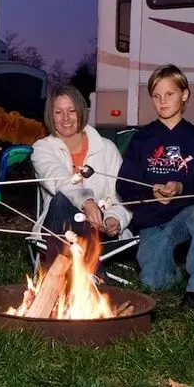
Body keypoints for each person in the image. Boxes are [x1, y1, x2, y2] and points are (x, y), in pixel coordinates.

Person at [115, 64, 194, 310]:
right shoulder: (142, 138)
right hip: (152, 222)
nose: (162, 101)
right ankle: (174, 271)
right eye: (156, 96)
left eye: (169, 94)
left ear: (184, 95)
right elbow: (124, 184)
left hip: (184, 216)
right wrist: (150, 190)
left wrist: (180, 186)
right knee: (154, 283)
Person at [31, 85, 133, 272]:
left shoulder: (107, 148)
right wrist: (86, 201)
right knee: (62, 199)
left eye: (71, 111)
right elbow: (58, 178)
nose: (66, 118)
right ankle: (89, 274)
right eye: (58, 112)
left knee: (85, 209)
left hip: (99, 229)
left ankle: (71, 277)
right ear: (50, 116)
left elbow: (121, 194)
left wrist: (114, 218)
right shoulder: (42, 149)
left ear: (81, 112)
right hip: (58, 226)